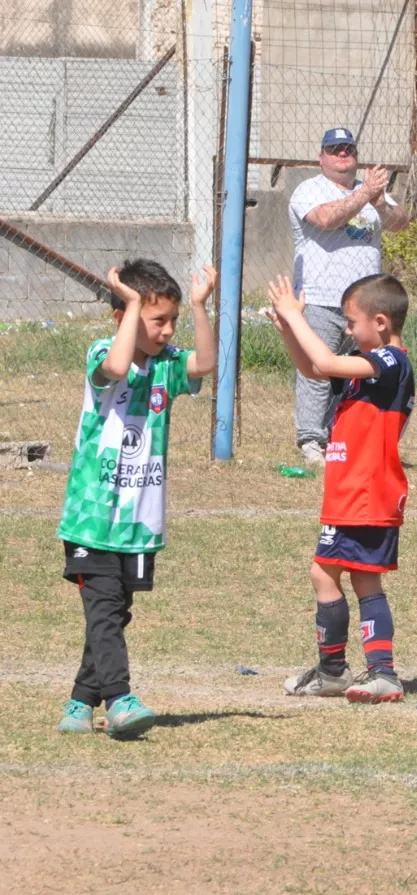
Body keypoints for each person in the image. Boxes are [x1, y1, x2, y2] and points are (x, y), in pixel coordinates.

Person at [56, 259, 217, 739]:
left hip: (139, 522)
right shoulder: (102, 352)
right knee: (104, 609)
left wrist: (199, 306)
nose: (168, 331)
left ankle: (79, 702)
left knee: (114, 612)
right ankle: (119, 700)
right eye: (157, 320)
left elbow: (206, 364)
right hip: (91, 520)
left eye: (173, 320)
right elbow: (115, 367)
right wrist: (130, 305)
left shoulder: (168, 365)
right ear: (122, 317)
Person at [269, 273, 415, 705]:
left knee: (346, 576)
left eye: (352, 322)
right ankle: (347, 671)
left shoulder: (391, 361)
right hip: (349, 492)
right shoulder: (364, 364)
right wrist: (289, 330)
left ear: (381, 322)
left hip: (368, 493)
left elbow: (328, 362)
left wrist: (298, 318)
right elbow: (315, 368)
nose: (348, 331)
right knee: (346, 576)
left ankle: (368, 672)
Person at [288, 127, 409, 464]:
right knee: (317, 369)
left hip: (366, 305)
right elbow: (326, 219)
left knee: (360, 372)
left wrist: (380, 202)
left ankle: (344, 436)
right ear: (321, 157)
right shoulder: (309, 190)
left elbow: (400, 224)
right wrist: (366, 192)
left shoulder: (368, 191)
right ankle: (311, 439)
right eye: (335, 149)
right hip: (321, 297)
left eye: (349, 149)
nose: (343, 154)